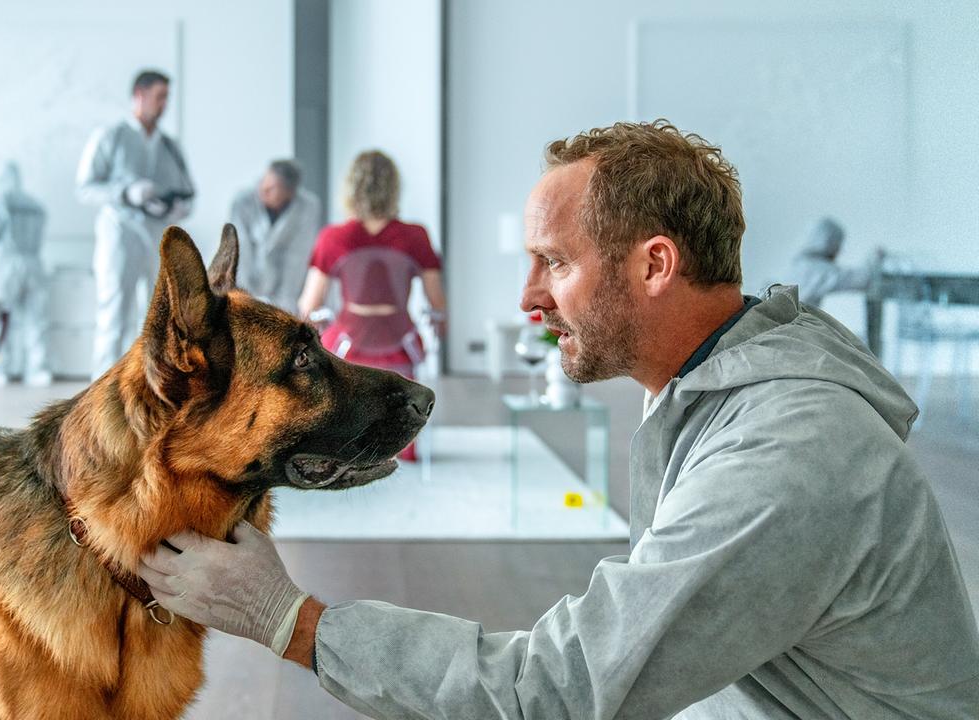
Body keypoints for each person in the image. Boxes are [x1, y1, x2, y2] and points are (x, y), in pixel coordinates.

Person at [138, 121, 979, 718]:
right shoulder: (714, 393)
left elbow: (555, 691)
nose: (528, 297)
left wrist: (288, 620)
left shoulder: (786, 459)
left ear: (655, 265)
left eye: (555, 263)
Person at [297, 150, 446, 460]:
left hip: (349, 345)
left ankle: (344, 438)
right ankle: (403, 442)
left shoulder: (333, 238)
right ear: (393, 188)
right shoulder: (415, 235)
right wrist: (440, 325)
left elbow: (309, 305)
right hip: (400, 342)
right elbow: (437, 301)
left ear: (351, 188)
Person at [76, 68, 195, 377]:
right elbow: (84, 188)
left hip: (157, 236)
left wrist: (179, 208)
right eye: (159, 97)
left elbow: (187, 191)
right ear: (139, 96)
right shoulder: (111, 137)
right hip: (120, 233)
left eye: (167, 98)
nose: (164, 104)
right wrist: (126, 192)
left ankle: (145, 387)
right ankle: (100, 391)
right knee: (113, 313)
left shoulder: (170, 146)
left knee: (157, 316)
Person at [0, 161, 52, 387]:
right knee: (36, 319)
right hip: (33, 263)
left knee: (2, 321)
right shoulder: (35, 205)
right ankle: (38, 370)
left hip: (7, 264)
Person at [227, 159, 322, 311]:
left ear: (290, 193)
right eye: (264, 180)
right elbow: (241, 251)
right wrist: (244, 299)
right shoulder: (243, 202)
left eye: (273, 188)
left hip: (286, 293)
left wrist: (283, 307)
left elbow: (297, 259)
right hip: (245, 286)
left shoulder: (308, 207)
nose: (263, 189)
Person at [790, 216, 885, 306]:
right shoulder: (817, 270)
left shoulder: (798, 264)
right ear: (828, 243)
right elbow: (861, 279)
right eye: (837, 245)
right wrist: (875, 258)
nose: (838, 252)